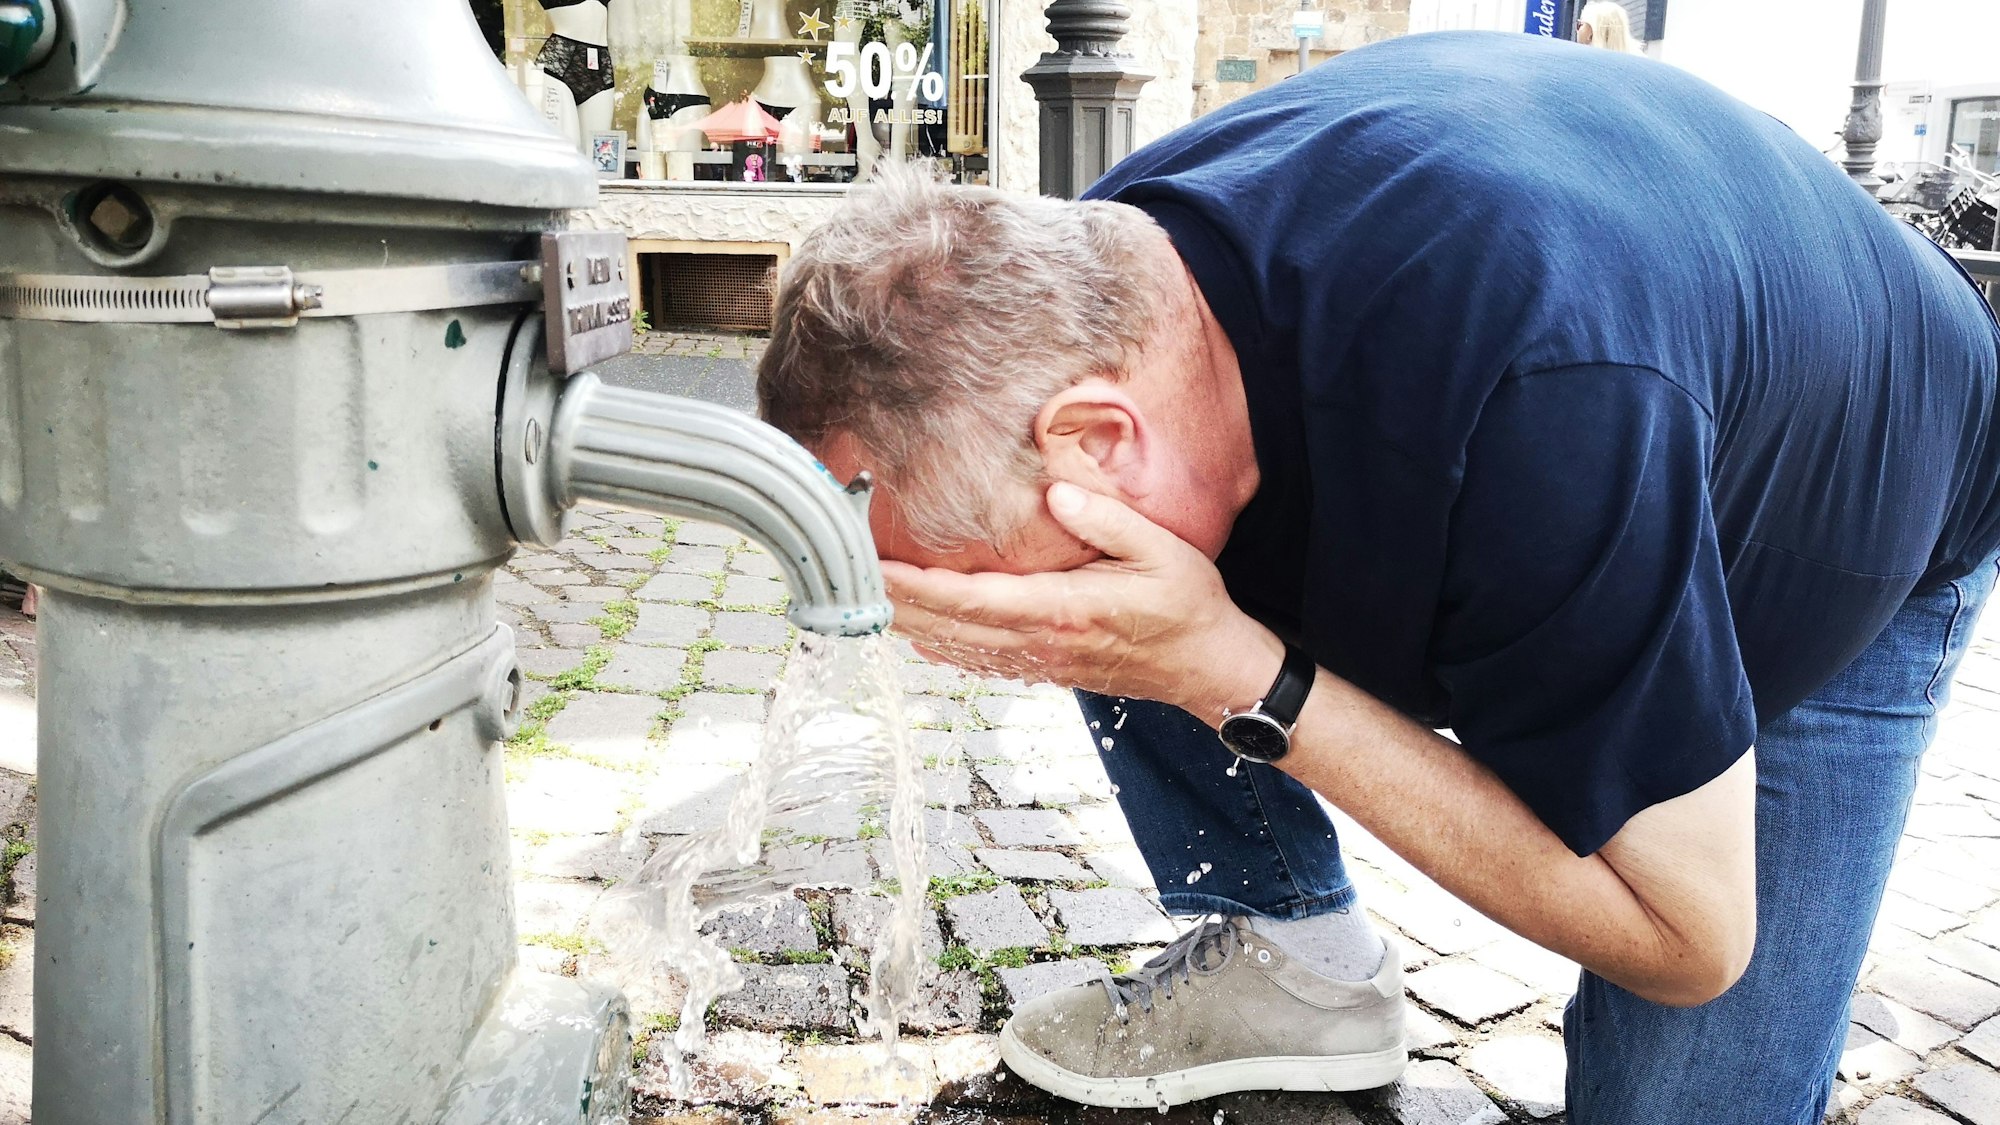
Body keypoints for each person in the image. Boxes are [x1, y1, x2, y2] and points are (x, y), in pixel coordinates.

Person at [755, 31, 2000, 1125]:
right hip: (1614, 327)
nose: (936, 627)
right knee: (1107, 592)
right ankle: (1299, 959)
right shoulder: (1110, 271)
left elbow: (1691, 940)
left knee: (1685, 1099)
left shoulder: (1535, 412)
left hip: (1864, 498)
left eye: (944, 578)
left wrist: (1236, 671)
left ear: (1094, 439)